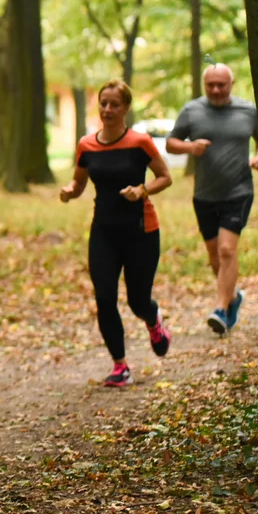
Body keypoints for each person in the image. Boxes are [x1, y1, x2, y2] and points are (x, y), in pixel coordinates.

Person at [60, 80, 173, 388]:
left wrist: (142, 189)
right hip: (104, 232)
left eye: (114, 104)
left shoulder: (140, 142)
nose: (107, 109)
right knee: (105, 297)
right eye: (103, 103)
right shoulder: (87, 145)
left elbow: (165, 177)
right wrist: (69, 192)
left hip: (141, 230)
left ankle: (153, 320)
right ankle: (120, 365)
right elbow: (79, 182)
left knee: (138, 300)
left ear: (126, 108)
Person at [165, 64, 258, 334]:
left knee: (227, 250)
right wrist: (189, 147)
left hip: (238, 191)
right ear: (205, 85)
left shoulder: (249, 111)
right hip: (204, 195)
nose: (216, 90)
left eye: (222, 84)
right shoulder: (192, 111)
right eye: (211, 85)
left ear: (232, 83)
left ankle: (221, 308)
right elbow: (171, 142)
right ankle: (233, 296)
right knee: (214, 256)